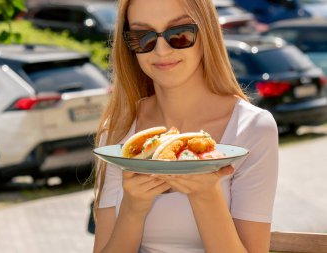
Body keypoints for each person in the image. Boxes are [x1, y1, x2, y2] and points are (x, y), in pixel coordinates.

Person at [92, 0, 278, 252]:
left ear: (207, 32)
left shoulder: (253, 128)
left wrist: (206, 196)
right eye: (143, 37)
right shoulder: (119, 132)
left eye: (179, 34)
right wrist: (132, 210)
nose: (161, 50)